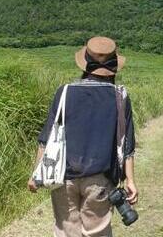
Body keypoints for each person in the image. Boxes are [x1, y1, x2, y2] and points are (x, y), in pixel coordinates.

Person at [28, 36, 138, 237]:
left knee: (66, 231)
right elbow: (127, 143)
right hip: (100, 180)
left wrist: (36, 174)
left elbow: (47, 137)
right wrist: (130, 180)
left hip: (63, 178)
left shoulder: (64, 92)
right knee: (96, 233)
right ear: (113, 67)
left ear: (85, 64)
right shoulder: (120, 96)